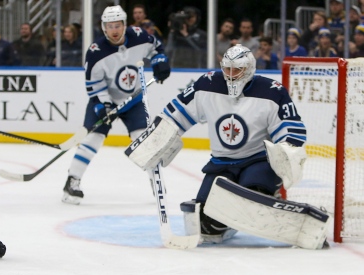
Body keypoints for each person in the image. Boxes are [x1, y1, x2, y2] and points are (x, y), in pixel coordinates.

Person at [125, 44, 328, 249]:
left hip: (257, 160)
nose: (230, 76)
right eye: (227, 69)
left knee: (251, 197)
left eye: (236, 70)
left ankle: (267, 192)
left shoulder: (272, 92)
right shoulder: (207, 84)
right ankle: (226, 220)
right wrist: (157, 139)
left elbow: (291, 130)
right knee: (207, 226)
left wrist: (285, 152)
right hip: (221, 164)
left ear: (248, 69)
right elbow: (176, 114)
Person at [61, 5, 171, 205]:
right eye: (110, 26)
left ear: (125, 24)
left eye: (118, 25)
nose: (114, 30)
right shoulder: (96, 52)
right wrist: (104, 105)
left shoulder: (139, 36)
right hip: (105, 100)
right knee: (92, 139)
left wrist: (160, 61)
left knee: (143, 140)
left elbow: (157, 48)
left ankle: (155, 182)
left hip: (134, 100)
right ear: (103, 27)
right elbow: (94, 85)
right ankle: (72, 181)